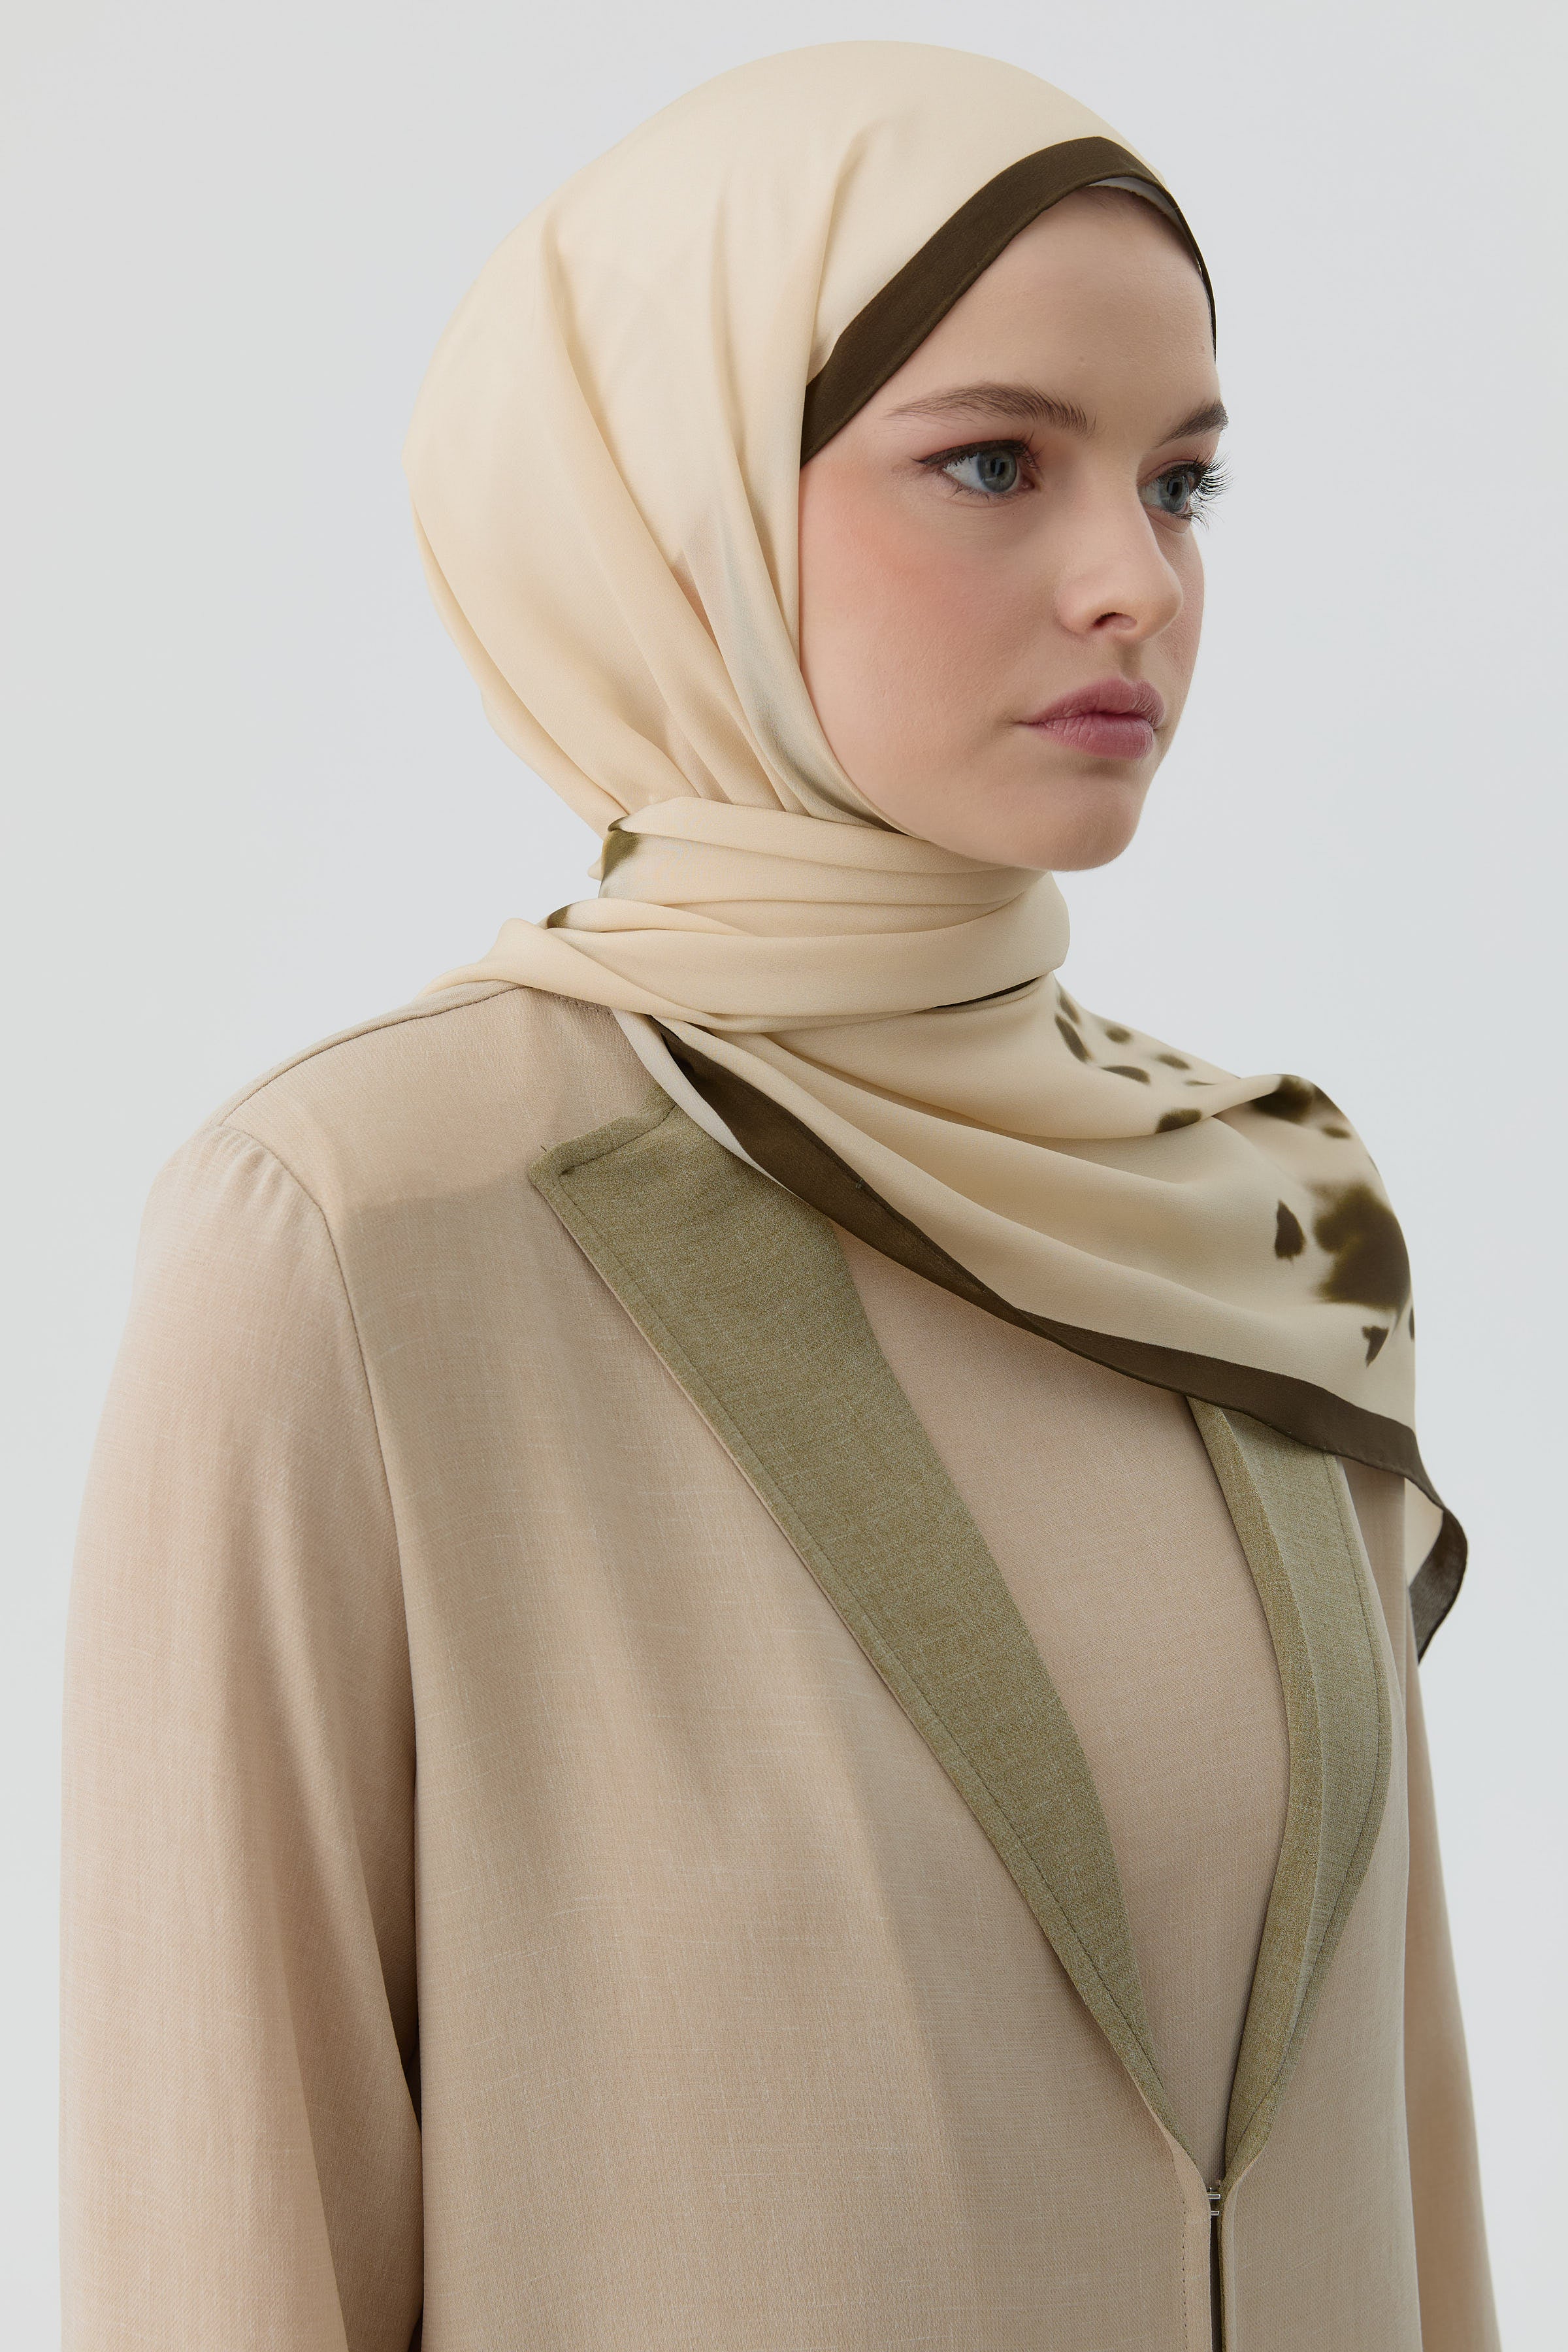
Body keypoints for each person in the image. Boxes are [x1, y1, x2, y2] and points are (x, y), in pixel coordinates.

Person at [61, 42, 1498, 2351]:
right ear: (677, 507)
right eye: (996, 463)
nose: (1132, 582)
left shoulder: (1261, 1215)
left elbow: (1399, 2152)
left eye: (1184, 481)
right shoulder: (359, 1233)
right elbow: (222, 2249)